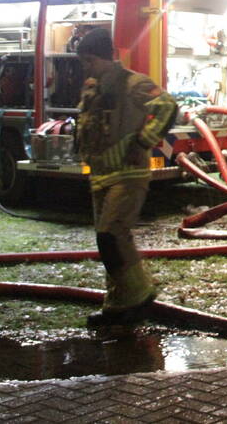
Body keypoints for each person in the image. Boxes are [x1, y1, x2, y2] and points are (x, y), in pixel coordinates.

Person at [74, 28, 178, 327]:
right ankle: (117, 304)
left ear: (107, 57)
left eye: (90, 61)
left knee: (111, 235)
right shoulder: (93, 86)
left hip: (127, 174)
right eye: (84, 62)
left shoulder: (134, 83)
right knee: (108, 240)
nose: (86, 68)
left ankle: (138, 296)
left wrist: (143, 141)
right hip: (101, 175)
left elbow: (167, 107)